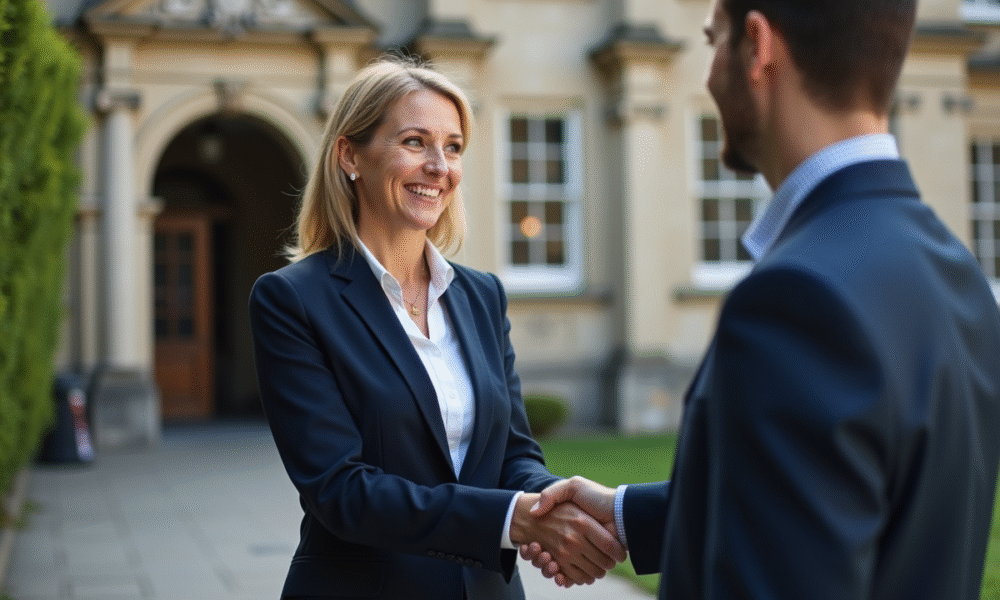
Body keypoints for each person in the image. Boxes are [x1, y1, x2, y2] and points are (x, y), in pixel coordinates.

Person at [524, 0, 1000, 598]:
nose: (708, 72)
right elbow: (851, 498)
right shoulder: (957, 271)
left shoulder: (794, 297)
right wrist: (626, 515)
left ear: (758, 46)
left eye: (714, 41)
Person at [248, 56, 625, 600]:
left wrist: (554, 501)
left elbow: (513, 454)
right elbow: (341, 490)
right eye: (415, 142)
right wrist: (513, 518)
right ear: (350, 155)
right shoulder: (292, 300)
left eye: (452, 147)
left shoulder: (481, 296)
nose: (439, 166)